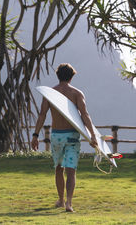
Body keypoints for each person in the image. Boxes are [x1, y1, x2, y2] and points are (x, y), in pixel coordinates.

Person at [31, 63, 97, 212]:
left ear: (58, 75)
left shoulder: (50, 93)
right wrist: (92, 135)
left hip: (56, 136)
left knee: (59, 169)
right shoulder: (77, 93)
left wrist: (35, 135)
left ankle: (60, 200)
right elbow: (84, 115)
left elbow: (42, 114)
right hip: (72, 135)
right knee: (71, 170)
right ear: (72, 76)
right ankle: (69, 203)